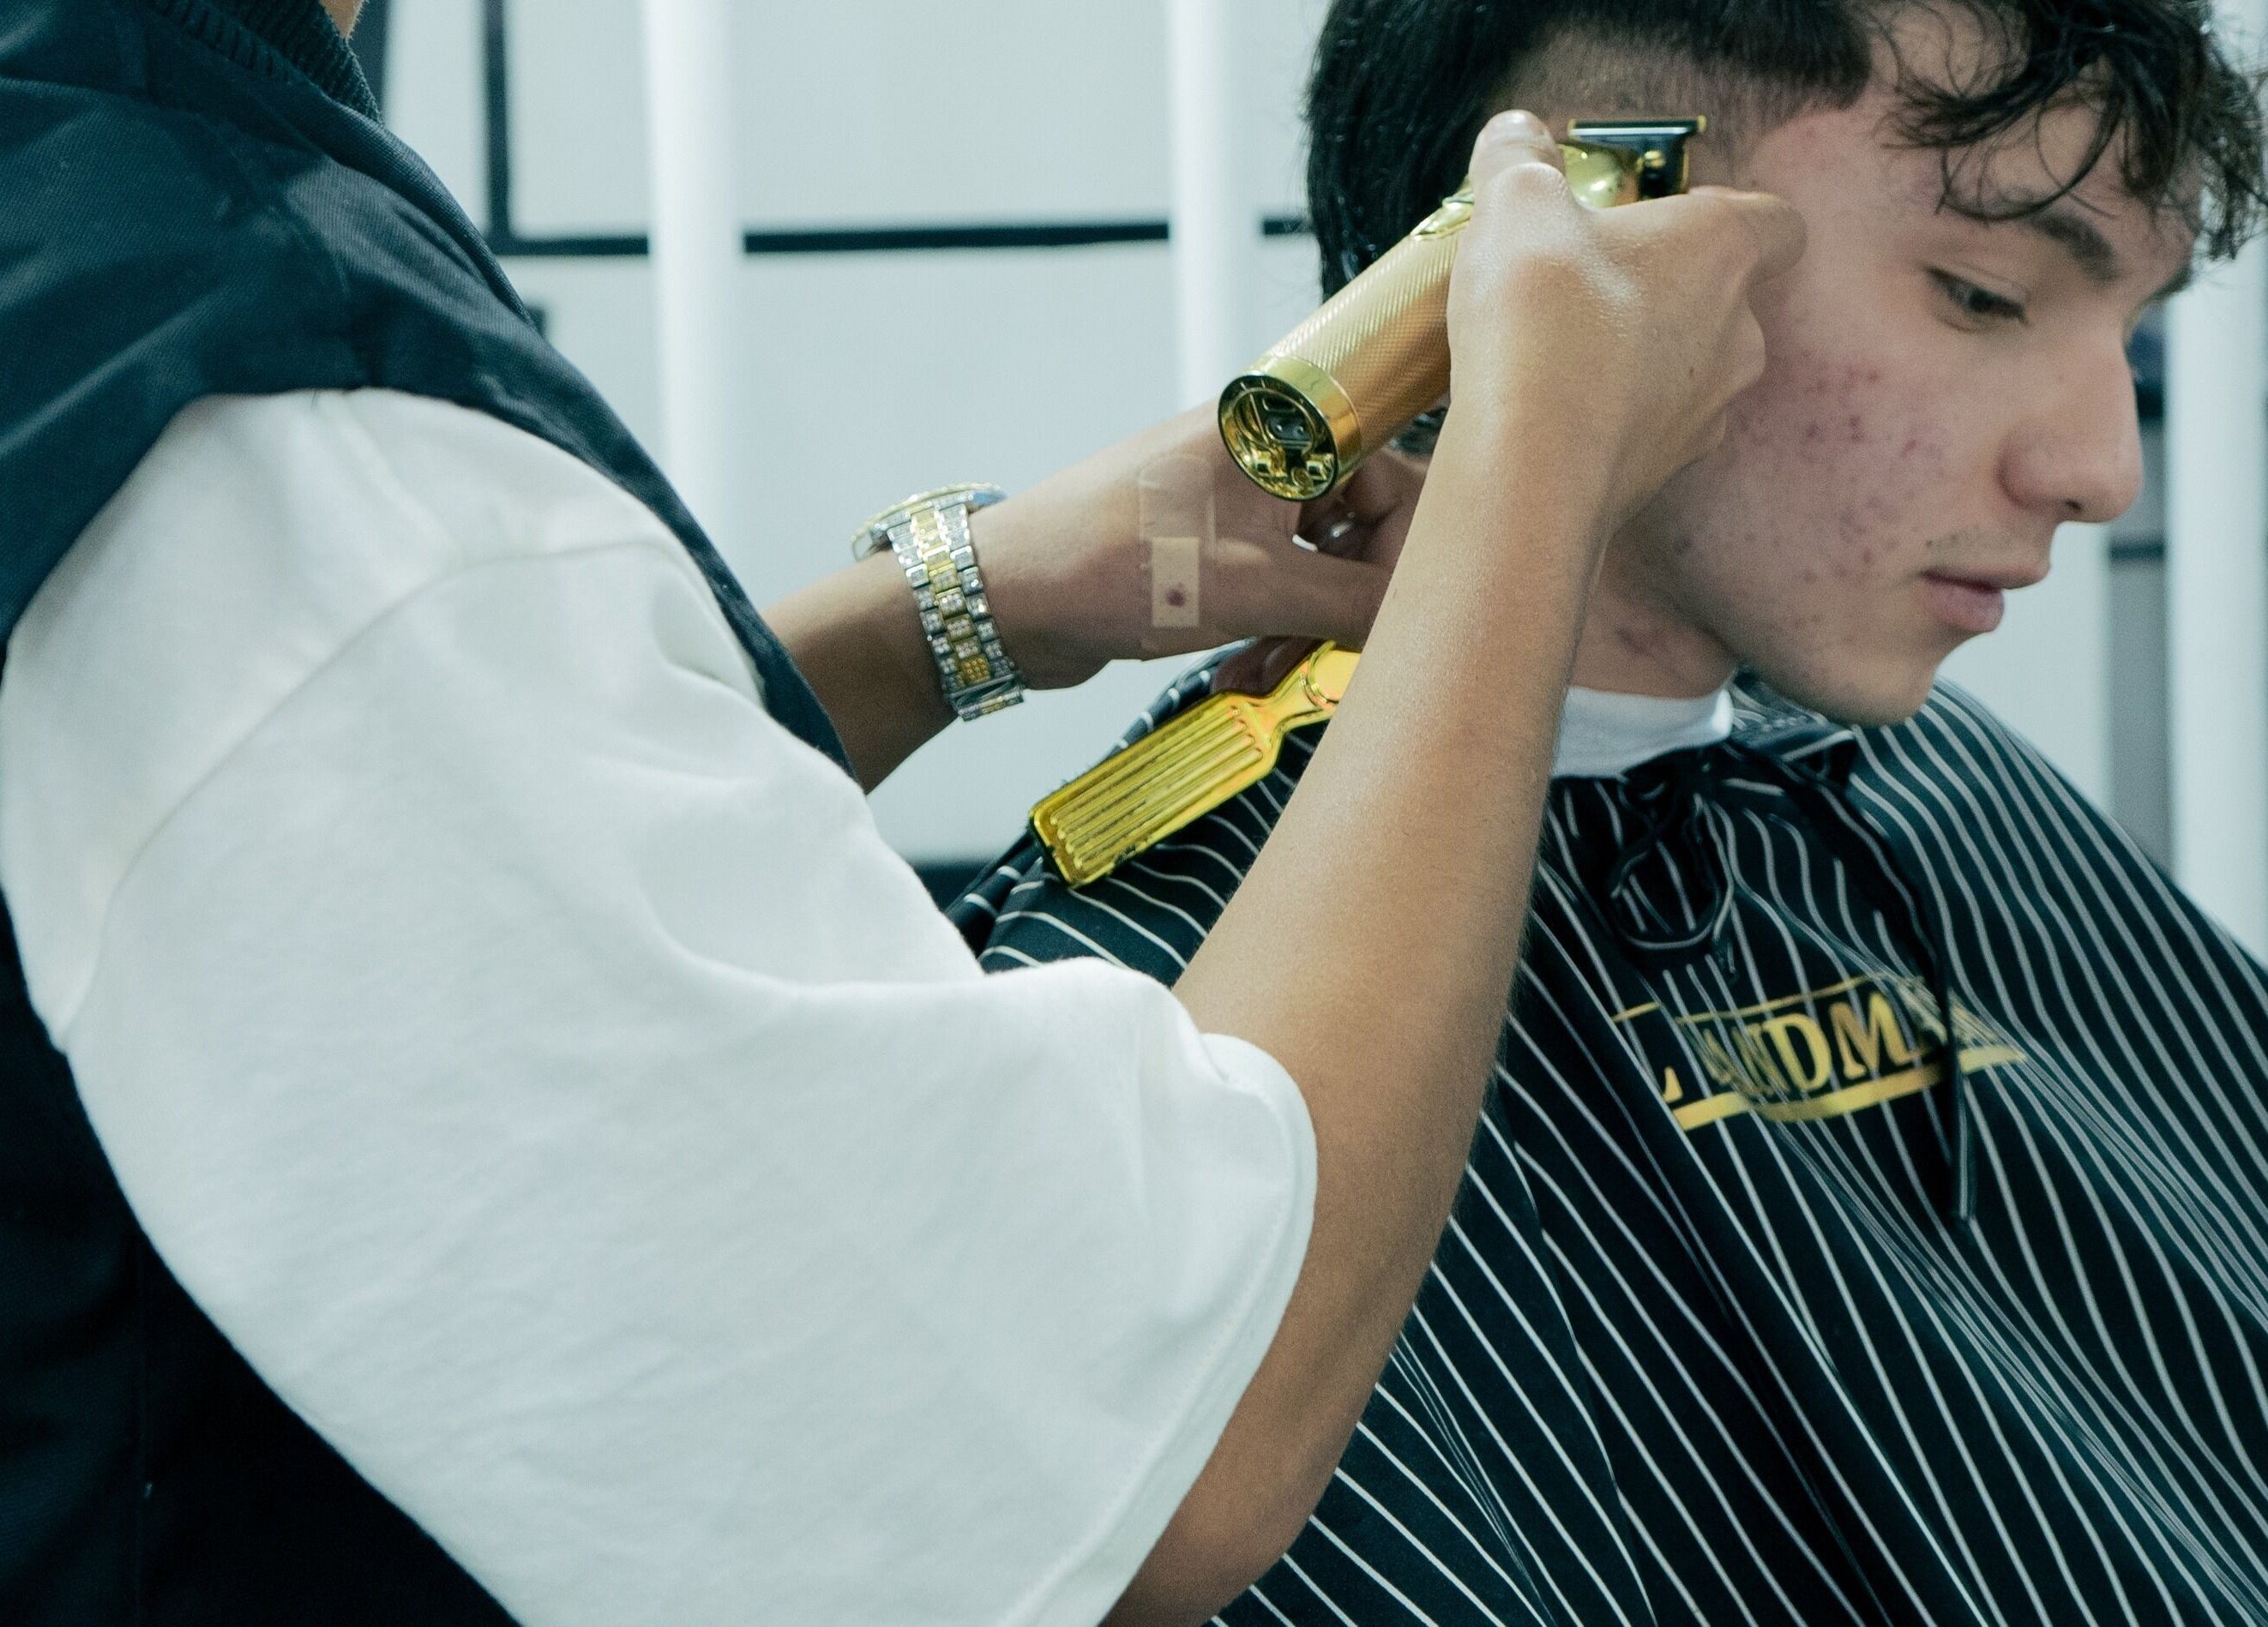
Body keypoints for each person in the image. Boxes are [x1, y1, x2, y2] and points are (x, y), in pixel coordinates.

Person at [0, 0, 1806, 1623]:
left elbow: (359, 880)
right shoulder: (242, 398)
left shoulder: (131, 238)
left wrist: (950, 614)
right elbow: (1134, 1449)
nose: (2093, 463)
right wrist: (1531, 472)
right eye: (1976, 289)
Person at [959, 1, 2268, 1622]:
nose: (2099, 466)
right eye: (1981, 293)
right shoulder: (1153, 969)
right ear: (1589, 232)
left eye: (2126, 330)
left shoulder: (1947, 809)